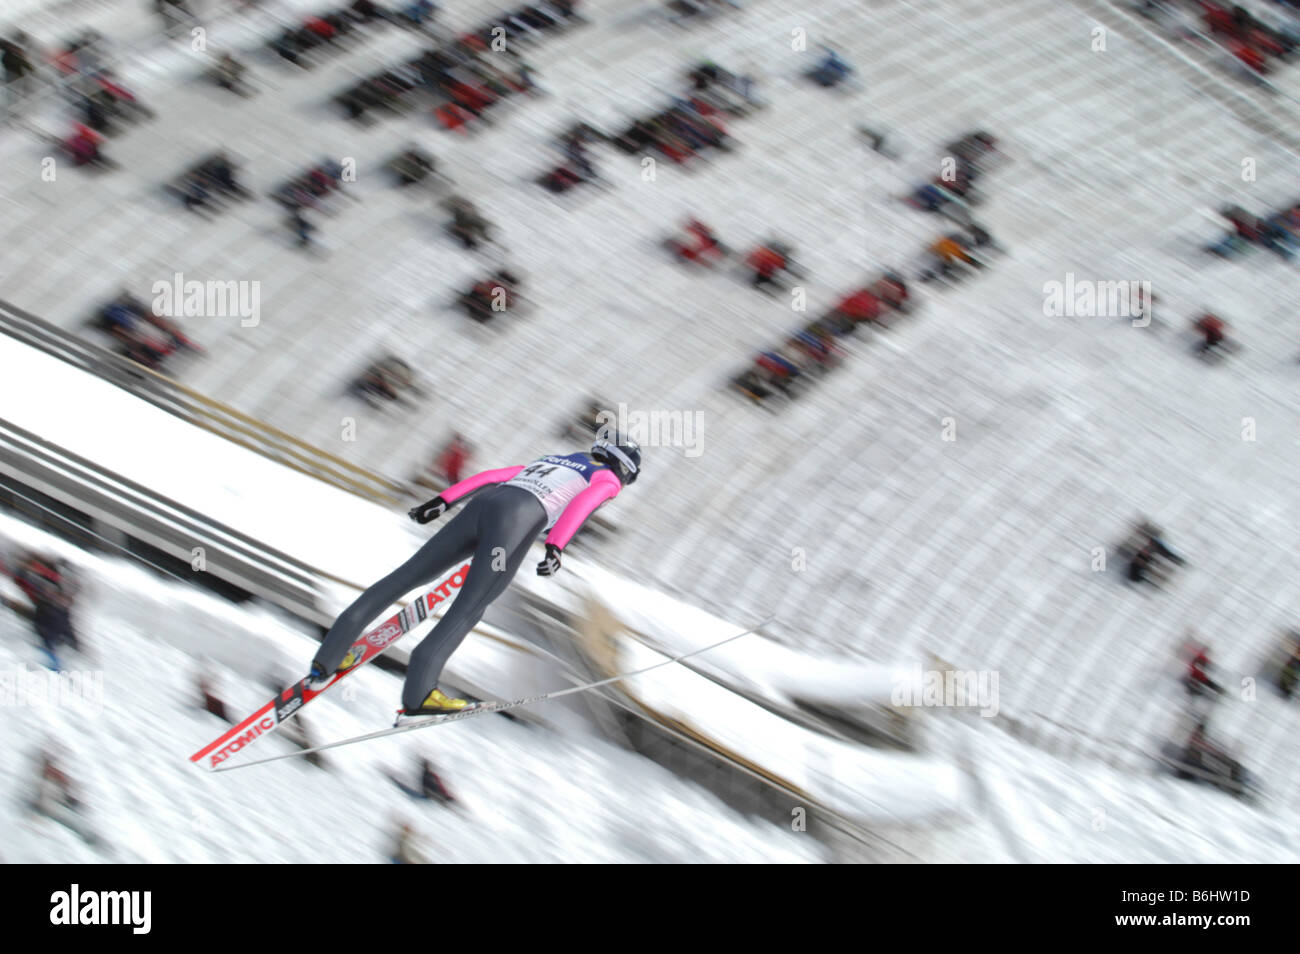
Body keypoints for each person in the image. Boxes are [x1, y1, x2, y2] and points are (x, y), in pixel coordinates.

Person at [308, 435, 642, 716]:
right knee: (468, 608)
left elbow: (493, 475)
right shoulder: (607, 479)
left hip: (481, 507)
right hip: (514, 523)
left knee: (405, 576)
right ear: (624, 469)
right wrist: (555, 548)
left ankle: (328, 658)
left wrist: (442, 500)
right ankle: (419, 697)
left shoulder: (556, 459)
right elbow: (580, 506)